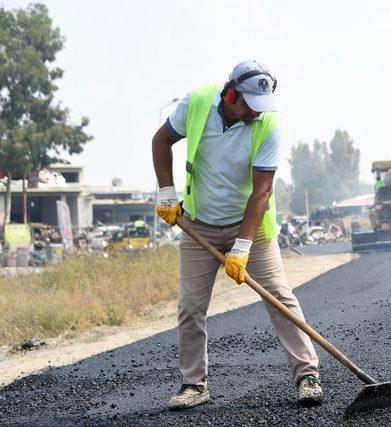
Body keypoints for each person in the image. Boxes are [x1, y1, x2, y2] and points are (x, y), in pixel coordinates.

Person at [152, 60, 321, 411]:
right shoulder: (197, 102)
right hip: (199, 223)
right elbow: (161, 140)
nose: (254, 114)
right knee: (190, 307)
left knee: (279, 296)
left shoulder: (268, 124)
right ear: (231, 93)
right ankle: (194, 384)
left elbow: (261, 193)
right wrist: (166, 193)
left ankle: (307, 375)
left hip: (252, 227)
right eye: (249, 106)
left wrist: (242, 247)